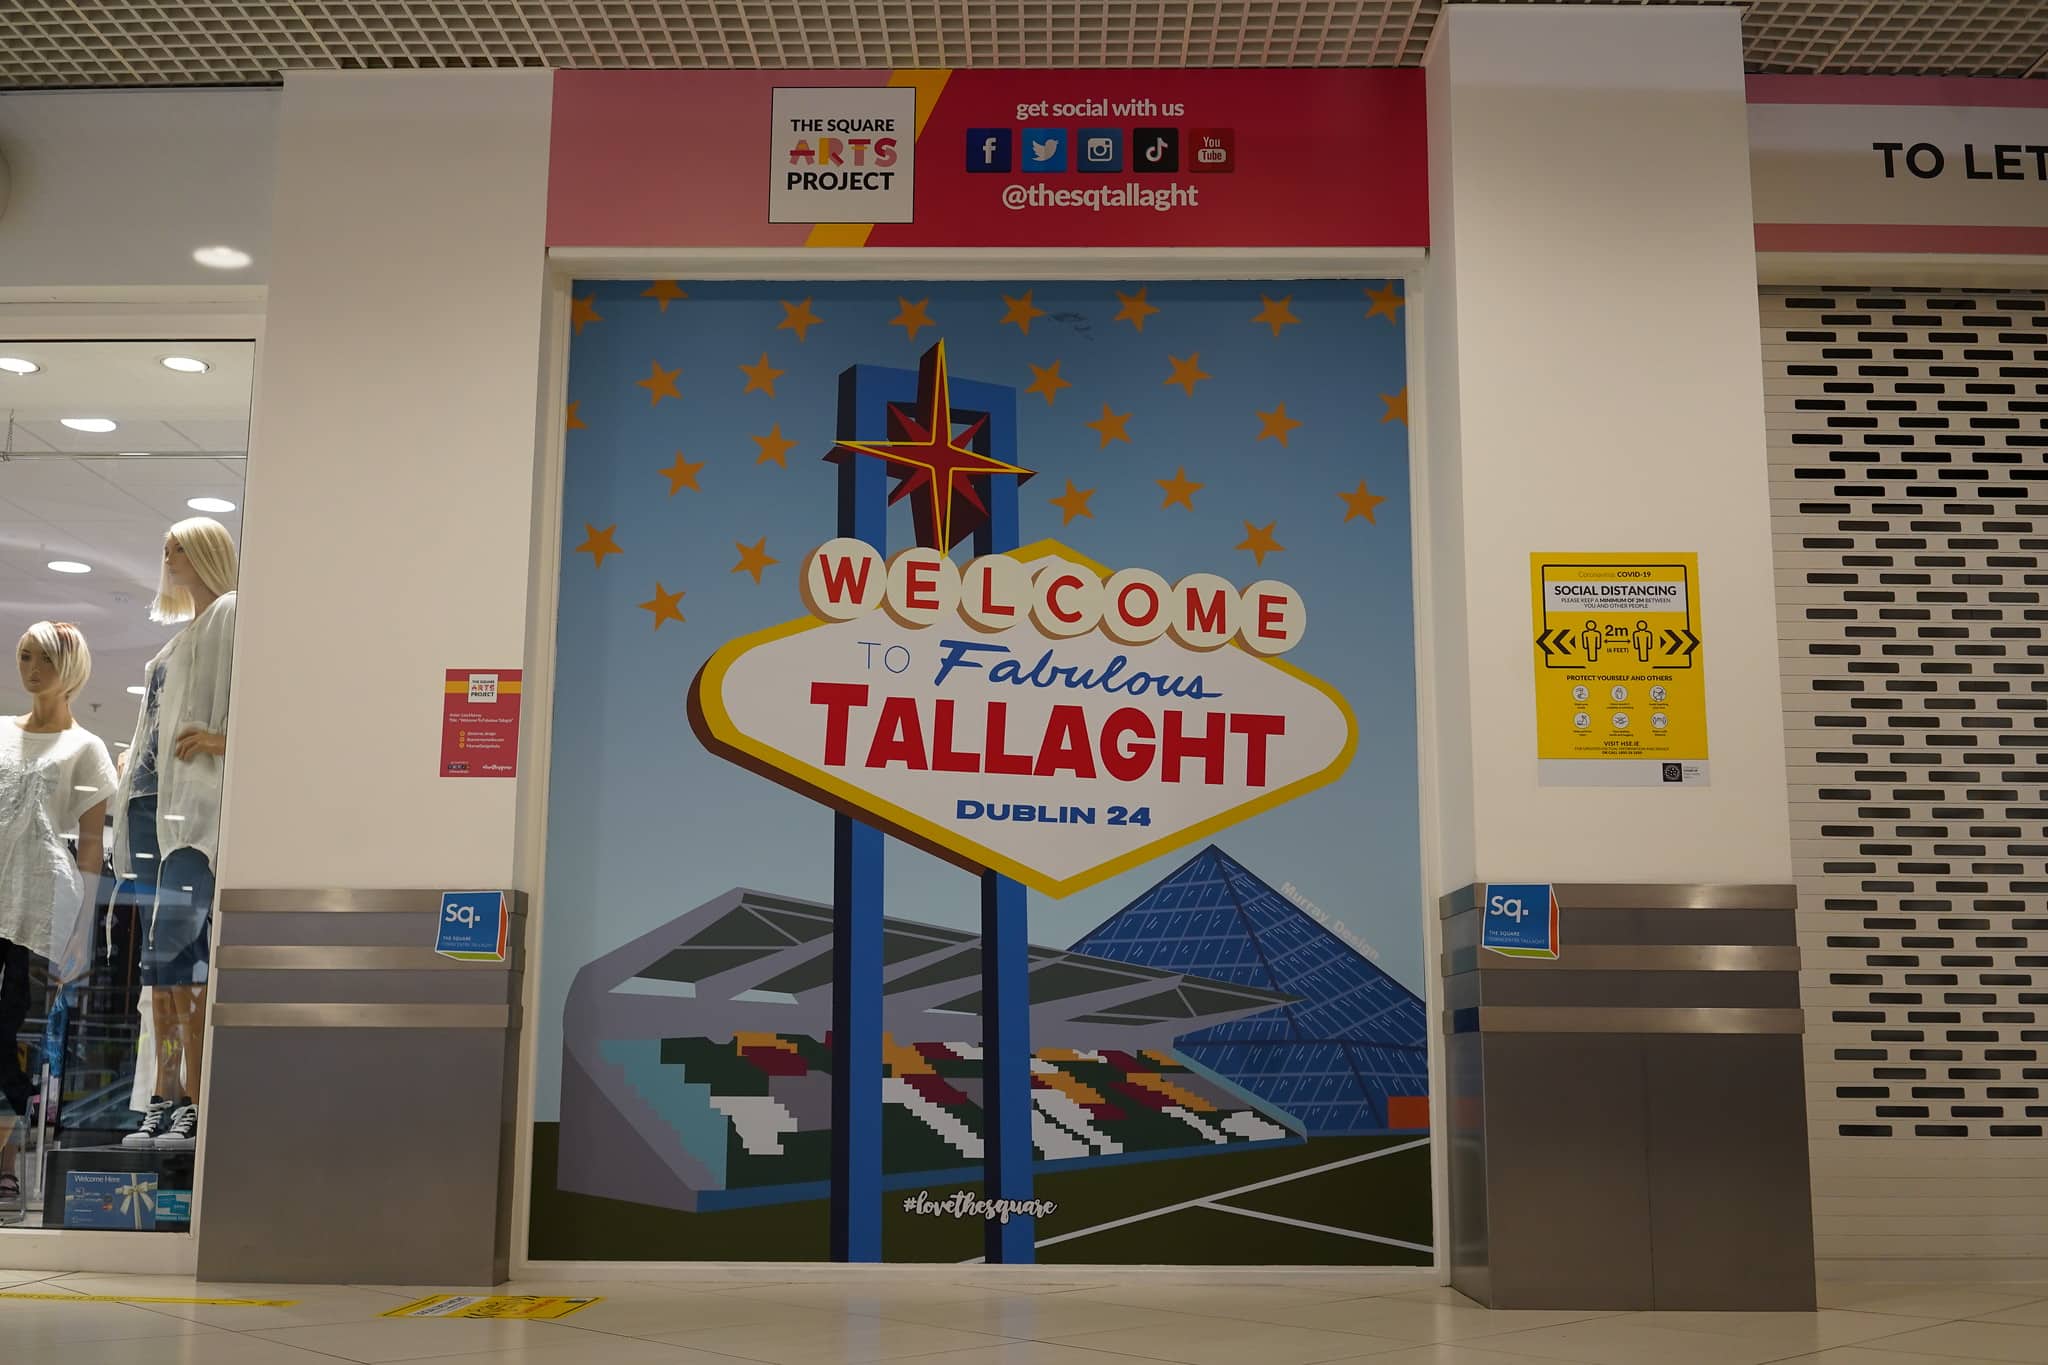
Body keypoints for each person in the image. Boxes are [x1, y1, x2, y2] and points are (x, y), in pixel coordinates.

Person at [110, 519, 236, 1154]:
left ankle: (194, 1095)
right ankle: (165, 1094)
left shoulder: (232, 614)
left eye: (180, 546)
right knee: (161, 968)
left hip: (192, 814)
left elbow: (261, 708)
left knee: (185, 962)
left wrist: (222, 740)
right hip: (150, 809)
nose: (169, 555)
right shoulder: (178, 639)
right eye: (166, 548)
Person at [0, 623, 116, 1218]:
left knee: (17, 1035)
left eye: (44, 658)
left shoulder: (86, 747)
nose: (32, 668)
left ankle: (8, 1164)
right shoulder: (0, 732)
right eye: (25, 656)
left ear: (70, 667)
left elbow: (91, 846)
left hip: (42, 905)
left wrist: (84, 931)